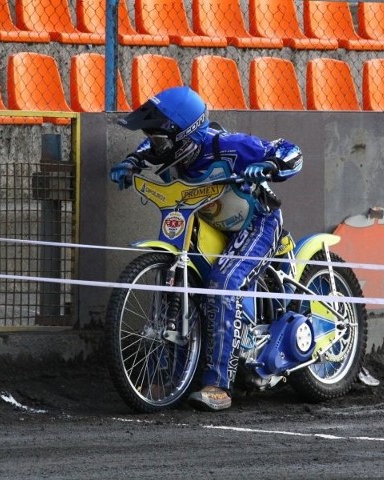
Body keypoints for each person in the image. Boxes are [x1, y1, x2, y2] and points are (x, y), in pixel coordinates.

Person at [110, 86, 303, 411]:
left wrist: (268, 165)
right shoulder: (170, 146)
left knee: (223, 283)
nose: (156, 146)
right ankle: (172, 377)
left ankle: (218, 386)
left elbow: (291, 151)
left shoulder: (229, 146)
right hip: (211, 223)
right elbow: (147, 149)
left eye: (161, 140)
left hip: (257, 223)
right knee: (189, 285)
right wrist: (131, 163)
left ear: (184, 136)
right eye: (154, 139)